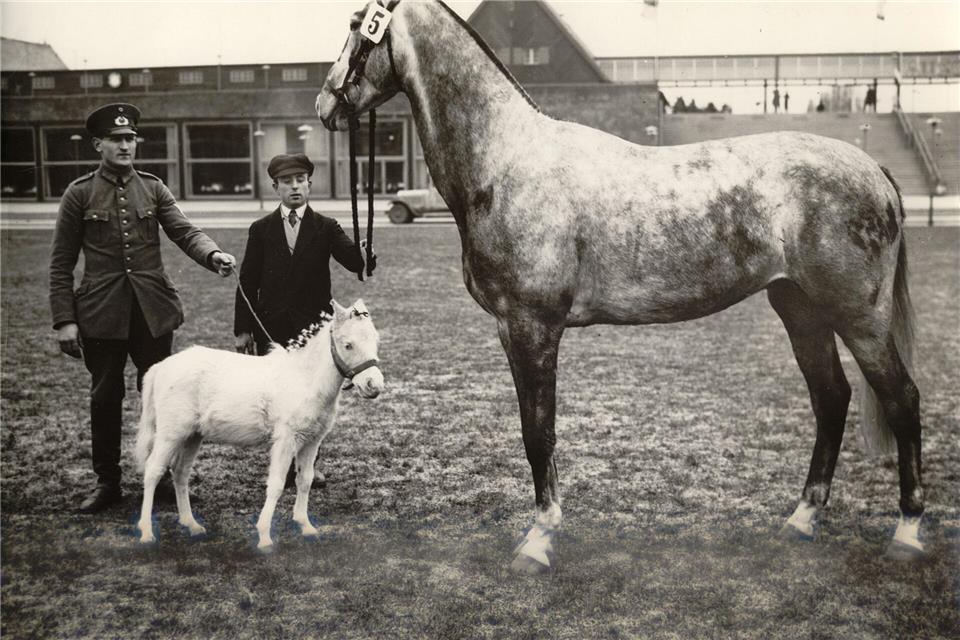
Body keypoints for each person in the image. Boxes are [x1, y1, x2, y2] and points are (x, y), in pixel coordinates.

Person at [49, 103, 237, 513]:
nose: (125, 145)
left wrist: (213, 254)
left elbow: (184, 230)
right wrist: (65, 320)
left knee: (162, 398)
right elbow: (61, 262)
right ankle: (108, 483)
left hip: (153, 313)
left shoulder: (153, 188)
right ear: (98, 144)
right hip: (101, 315)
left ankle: (164, 477)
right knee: (105, 396)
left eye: (130, 138)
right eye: (116, 139)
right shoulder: (79, 193)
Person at [233, 153, 373, 486]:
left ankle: (307, 466)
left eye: (300, 180)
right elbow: (247, 282)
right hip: (272, 325)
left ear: (309, 184)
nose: (294, 186)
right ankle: (280, 461)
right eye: (286, 182)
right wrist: (243, 330)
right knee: (278, 394)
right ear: (275, 187)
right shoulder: (261, 229)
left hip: (313, 329)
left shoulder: (325, 227)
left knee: (314, 396)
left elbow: (354, 263)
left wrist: (364, 253)